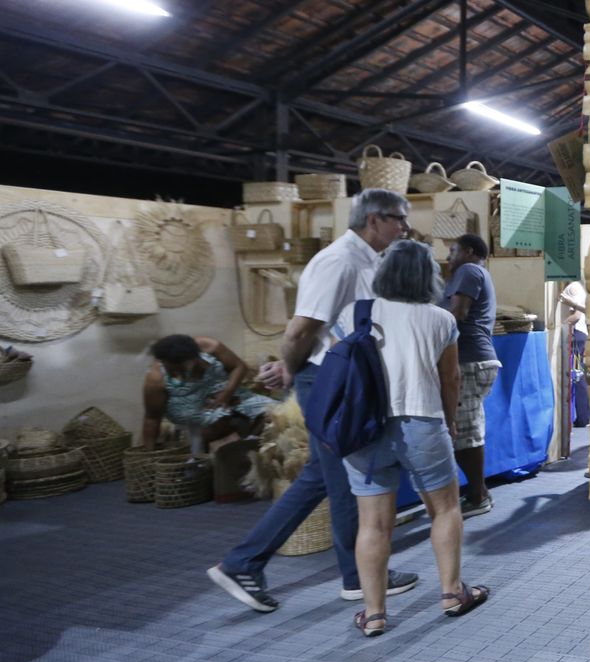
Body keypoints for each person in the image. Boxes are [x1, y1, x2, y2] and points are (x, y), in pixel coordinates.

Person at [207, 189, 419, 614]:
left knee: (324, 476)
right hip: (327, 379)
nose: (404, 227)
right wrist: (289, 370)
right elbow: (300, 330)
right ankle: (356, 576)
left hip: (338, 377)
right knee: (344, 479)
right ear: (373, 220)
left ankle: (246, 563)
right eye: (398, 218)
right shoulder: (339, 261)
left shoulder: (366, 259)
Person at [334, 239, 487, 636]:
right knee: (445, 509)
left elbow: (338, 372)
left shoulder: (355, 313)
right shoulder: (440, 319)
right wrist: (450, 423)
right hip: (423, 423)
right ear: (427, 276)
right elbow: (450, 379)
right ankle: (452, 593)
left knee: (373, 523)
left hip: (366, 429)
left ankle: (374, 614)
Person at [441, 234, 498, 518]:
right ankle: (479, 492)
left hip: (469, 360)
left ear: (469, 251)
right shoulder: (468, 273)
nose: (448, 256)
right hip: (471, 358)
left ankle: (478, 496)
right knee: (464, 428)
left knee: (465, 431)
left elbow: (458, 313)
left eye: (453, 250)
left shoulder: (469, 270)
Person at [142, 334, 272, 447]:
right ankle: (203, 455)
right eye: (173, 371)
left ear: (196, 357)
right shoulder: (156, 378)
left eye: (182, 369)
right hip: (196, 411)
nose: (179, 373)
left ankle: (251, 443)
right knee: (221, 422)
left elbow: (239, 366)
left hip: (231, 395)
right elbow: (152, 418)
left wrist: (227, 393)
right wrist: (148, 452)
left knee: (273, 412)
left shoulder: (209, 346)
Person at [559, 278, 590, 428]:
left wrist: (561, 326)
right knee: (578, 373)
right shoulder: (576, 287)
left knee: (578, 375)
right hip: (579, 335)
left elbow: (577, 316)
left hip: (576, 335)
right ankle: (584, 415)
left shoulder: (573, 288)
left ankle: (583, 416)